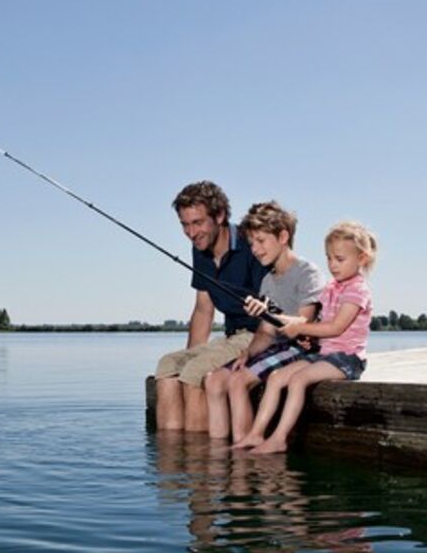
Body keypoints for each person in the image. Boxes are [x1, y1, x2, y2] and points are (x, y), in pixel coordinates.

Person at [236, 220, 377, 454]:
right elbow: (317, 324)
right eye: (329, 258)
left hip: (347, 359)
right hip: (325, 355)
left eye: (339, 259)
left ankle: (279, 438)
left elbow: (336, 328)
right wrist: (287, 323)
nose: (332, 265)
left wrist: (301, 328)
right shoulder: (332, 287)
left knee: (298, 380)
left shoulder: (357, 290)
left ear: (361, 258)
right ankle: (256, 433)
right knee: (276, 377)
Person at [205, 201, 324, 441]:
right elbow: (266, 333)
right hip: (276, 348)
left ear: (283, 236)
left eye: (260, 241)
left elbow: (303, 323)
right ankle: (217, 455)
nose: (255, 249)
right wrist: (248, 353)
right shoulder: (267, 281)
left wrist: (268, 311)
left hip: (301, 349)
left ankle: (246, 449)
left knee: (237, 382)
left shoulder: (307, 273)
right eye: (251, 243)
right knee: (213, 380)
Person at [154, 181, 267, 432]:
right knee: (167, 366)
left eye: (198, 223)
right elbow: (203, 309)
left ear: (220, 215)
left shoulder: (252, 244)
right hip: (232, 337)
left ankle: (198, 456)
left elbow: (276, 304)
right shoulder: (200, 250)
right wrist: (190, 356)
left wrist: (194, 367)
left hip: (260, 335)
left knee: (195, 373)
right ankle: (171, 455)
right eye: (185, 224)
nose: (191, 233)